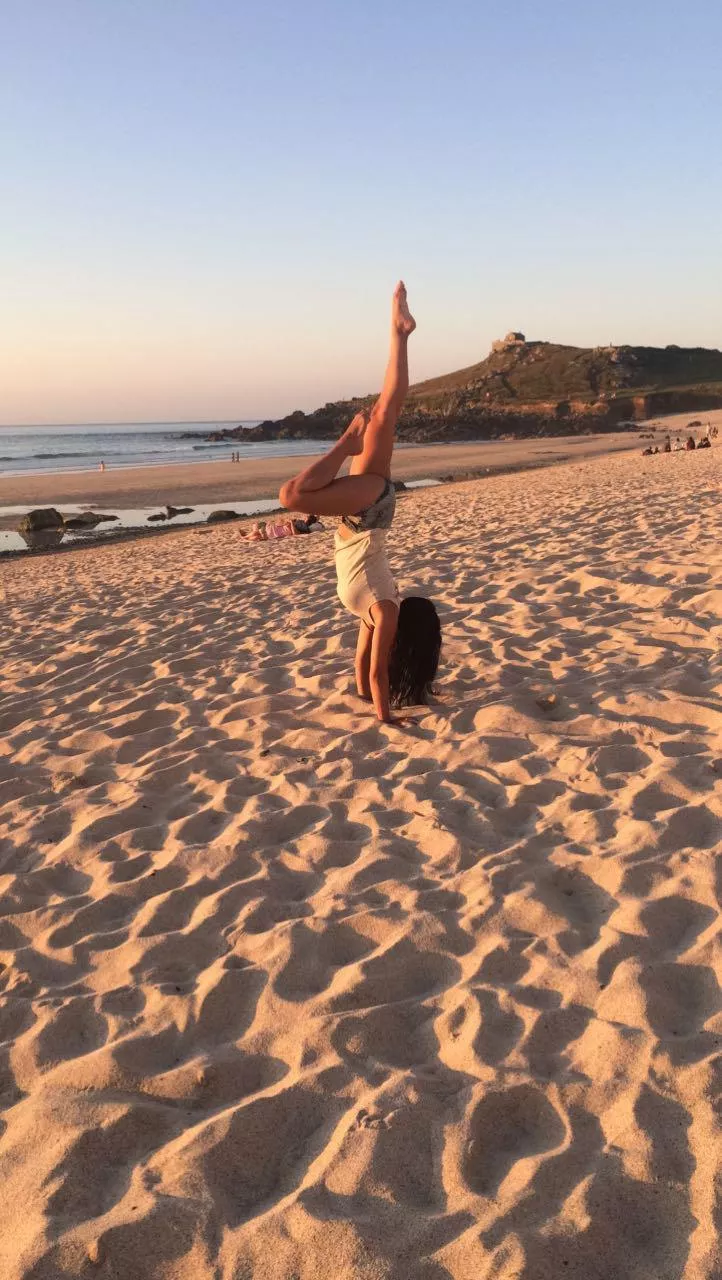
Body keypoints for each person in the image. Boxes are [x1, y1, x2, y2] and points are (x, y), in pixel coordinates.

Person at [279, 282, 441, 724]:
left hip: (365, 517)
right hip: (369, 515)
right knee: (387, 412)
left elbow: (366, 672)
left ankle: (347, 440)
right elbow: (372, 672)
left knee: (292, 494)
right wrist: (384, 710)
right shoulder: (379, 611)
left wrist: (383, 715)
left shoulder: (382, 612)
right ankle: (399, 333)